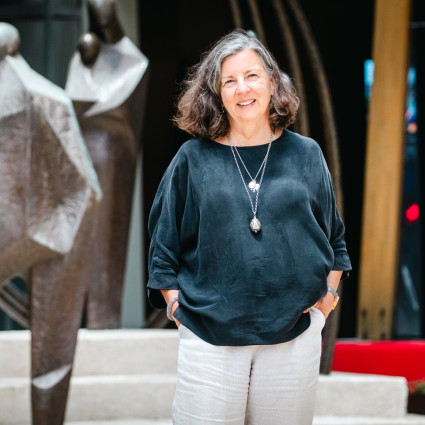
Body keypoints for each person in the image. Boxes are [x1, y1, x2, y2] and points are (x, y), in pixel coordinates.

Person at [146, 29, 351, 424]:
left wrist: (326, 301)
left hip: (294, 336)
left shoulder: (306, 154)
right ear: (216, 93)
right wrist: (175, 306)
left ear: (272, 82)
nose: (243, 88)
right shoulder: (192, 158)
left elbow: (335, 239)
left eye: (252, 75)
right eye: (229, 80)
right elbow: (163, 248)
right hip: (209, 338)